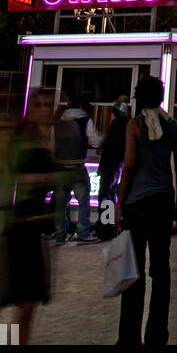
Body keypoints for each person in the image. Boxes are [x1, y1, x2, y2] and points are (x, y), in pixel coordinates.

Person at [115, 76, 177, 347]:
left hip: (137, 204)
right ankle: (158, 335)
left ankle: (129, 338)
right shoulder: (173, 126)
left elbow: (129, 165)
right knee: (161, 270)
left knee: (134, 272)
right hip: (163, 202)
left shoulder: (134, 125)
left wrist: (120, 204)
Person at [0, 89, 59, 344]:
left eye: (47, 105)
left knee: (28, 305)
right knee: (6, 302)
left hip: (35, 229)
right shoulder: (19, 140)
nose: (44, 110)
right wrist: (29, 180)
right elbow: (4, 175)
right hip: (17, 227)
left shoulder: (46, 139)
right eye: (38, 105)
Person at [52, 93, 102, 244]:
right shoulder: (85, 120)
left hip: (61, 167)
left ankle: (60, 235)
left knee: (60, 203)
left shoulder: (58, 123)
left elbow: (51, 145)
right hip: (78, 167)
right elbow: (94, 142)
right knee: (83, 200)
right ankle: (83, 233)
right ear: (82, 106)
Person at [96, 97, 129, 241]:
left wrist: (101, 167)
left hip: (110, 166)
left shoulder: (116, 125)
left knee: (105, 196)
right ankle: (111, 225)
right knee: (112, 194)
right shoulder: (128, 125)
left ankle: (106, 227)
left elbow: (109, 148)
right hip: (119, 166)